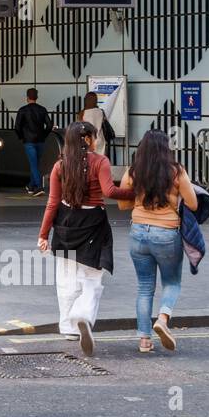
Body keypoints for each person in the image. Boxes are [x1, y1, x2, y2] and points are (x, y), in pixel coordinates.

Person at [37, 121, 134, 356]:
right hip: (93, 222)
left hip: (66, 222)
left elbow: (52, 203)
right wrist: (135, 192)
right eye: (95, 136)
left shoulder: (60, 166)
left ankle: (68, 327)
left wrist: (43, 235)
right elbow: (110, 192)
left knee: (66, 277)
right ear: (89, 139)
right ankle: (83, 315)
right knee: (92, 276)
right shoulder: (100, 161)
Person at [119, 130, 198, 353]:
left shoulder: (133, 172)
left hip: (138, 233)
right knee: (172, 282)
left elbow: (123, 205)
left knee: (144, 287)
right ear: (166, 148)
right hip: (166, 233)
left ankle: (144, 341)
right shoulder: (176, 171)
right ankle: (162, 319)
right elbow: (193, 204)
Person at [15, 87, 54, 196]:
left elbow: (17, 127)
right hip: (40, 141)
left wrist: (21, 137)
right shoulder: (42, 109)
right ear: (37, 97)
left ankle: (39, 187)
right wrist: (44, 135)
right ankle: (31, 186)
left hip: (29, 141)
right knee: (36, 164)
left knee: (33, 164)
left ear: (27, 97)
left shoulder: (22, 110)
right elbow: (49, 125)